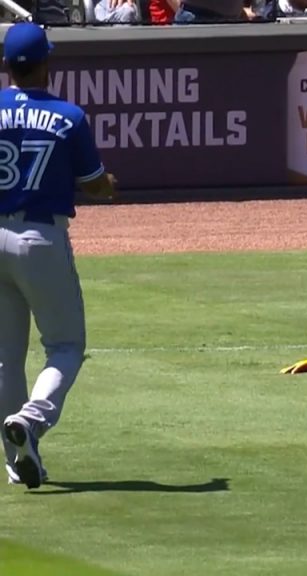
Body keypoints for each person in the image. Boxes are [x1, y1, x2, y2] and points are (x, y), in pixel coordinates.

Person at [0, 23, 117, 489]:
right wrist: (110, 187)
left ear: (7, 66)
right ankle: (31, 420)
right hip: (39, 237)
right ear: (46, 65)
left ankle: (16, 459)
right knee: (66, 346)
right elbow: (94, 184)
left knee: (6, 358)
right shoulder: (68, 115)